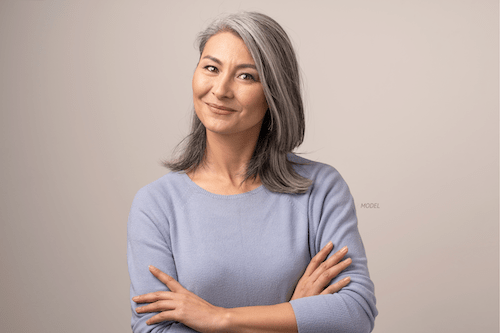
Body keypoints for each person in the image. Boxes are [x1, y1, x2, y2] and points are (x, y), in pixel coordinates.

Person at [127, 11, 377, 333]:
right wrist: (294, 314)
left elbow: (356, 314)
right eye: (211, 68)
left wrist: (219, 319)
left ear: (274, 93)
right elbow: (153, 330)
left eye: (246, 76)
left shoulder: (322, 189)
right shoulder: (156, 205)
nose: (220, 90)